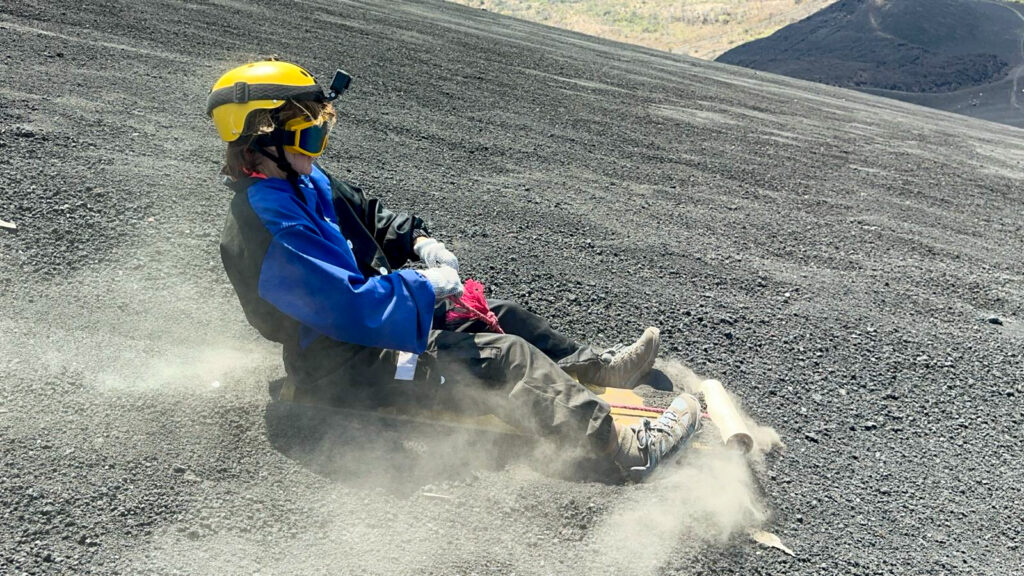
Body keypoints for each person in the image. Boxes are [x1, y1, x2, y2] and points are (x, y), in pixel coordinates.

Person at [207, 60, 702, 481]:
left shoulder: (300, 180)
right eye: (310, 133)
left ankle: (595, 369)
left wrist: (419, 242)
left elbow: (367, 214)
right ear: (261, 139)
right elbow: (349, 307)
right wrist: (423, 287)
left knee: (501, 313)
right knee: (500, 358)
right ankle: (624, 449)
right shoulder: (263, 228)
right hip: (343, 365)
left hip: (372, 329)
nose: (319, 145)